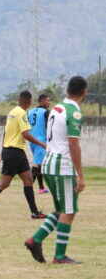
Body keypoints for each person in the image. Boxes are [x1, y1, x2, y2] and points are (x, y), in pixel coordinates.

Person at [24, 76, 88, 264]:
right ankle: (58, 255)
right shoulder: (73, 112)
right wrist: (81, 175)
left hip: (49, 163)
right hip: (63, 166)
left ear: (68, 90)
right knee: (69, 211)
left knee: (61, 209)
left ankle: (35, 240)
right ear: (84, 92)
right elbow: (73, 144)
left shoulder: (57, 109)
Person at [0, 91, 47, 220]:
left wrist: (3, 151)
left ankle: (35, 212)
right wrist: (42, 144)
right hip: (15, 152)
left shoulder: (12, 112)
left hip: (12, 151)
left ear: (19, 100)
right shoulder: (22, 114)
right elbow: (26, 134)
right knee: (4, 183)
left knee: (28, 179)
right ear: (29, 102)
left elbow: (6, 133)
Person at [27, 94, 51, 194]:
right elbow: (48, 126)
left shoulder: (29, 112)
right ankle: (28, 186)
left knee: (38, 164)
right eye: (48, 100)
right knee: (38, 165)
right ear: (42, 101)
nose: (49, 103)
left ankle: (41, 187)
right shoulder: (46, 112)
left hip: (31, 140)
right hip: (41, 141)